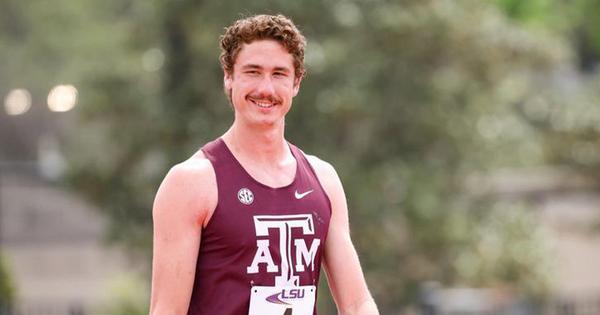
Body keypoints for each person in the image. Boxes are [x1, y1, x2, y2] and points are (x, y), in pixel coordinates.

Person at [149, 14, 379, 315]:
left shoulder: (323, 179)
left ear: (296, 82)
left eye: (279, 74)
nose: (266, 89)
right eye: (253, 72)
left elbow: (357, 303)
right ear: (229, 77)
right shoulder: (192, 182)